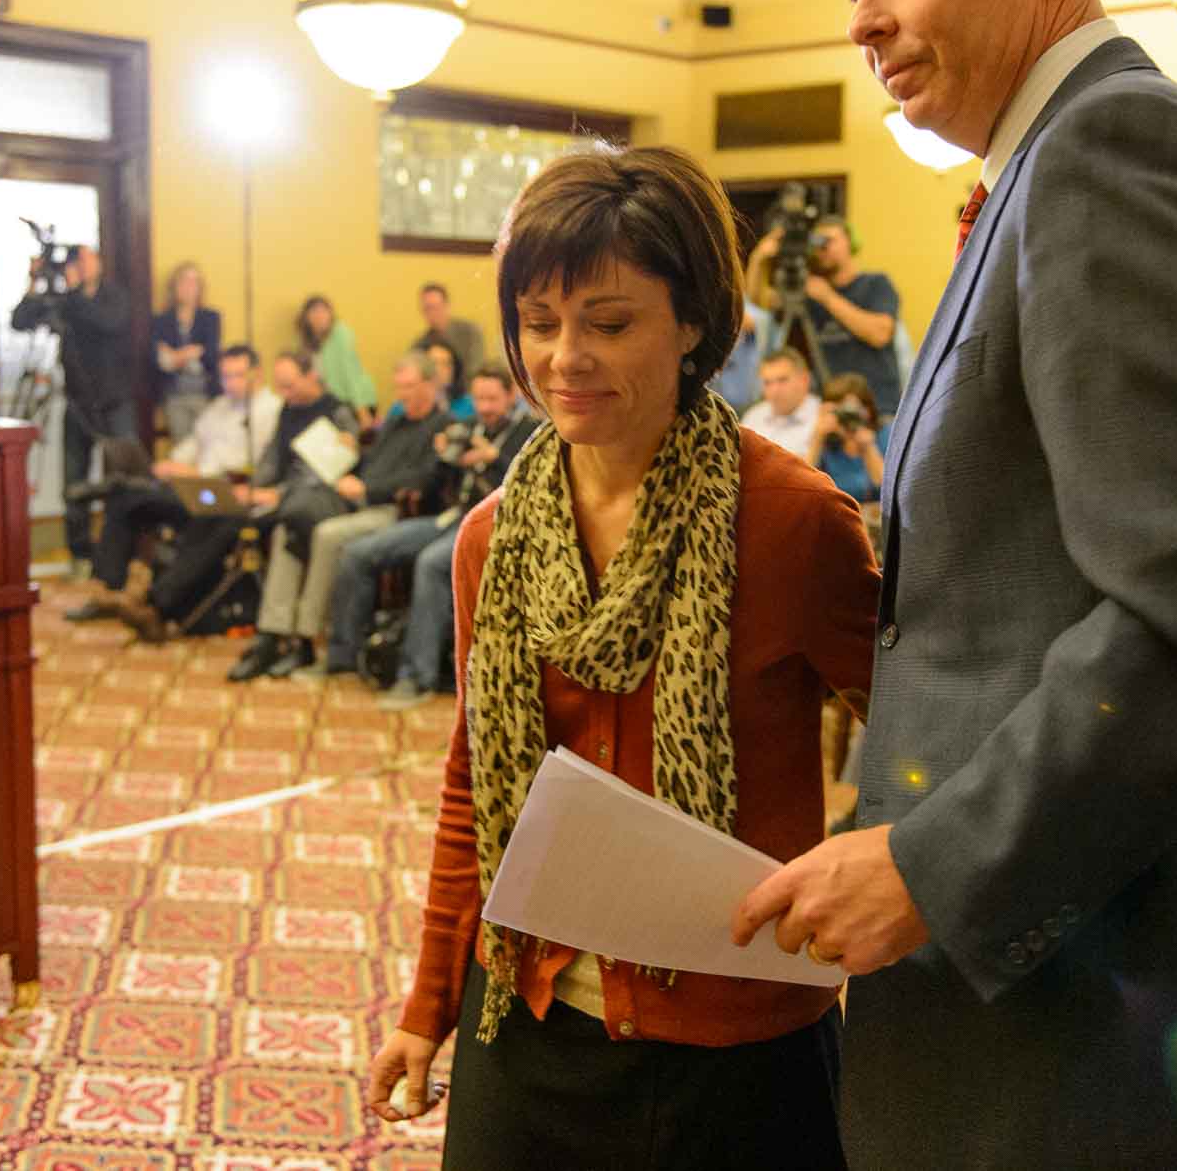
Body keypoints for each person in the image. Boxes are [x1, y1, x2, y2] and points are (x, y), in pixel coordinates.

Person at [730, 0, 1177, 1166]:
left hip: (1110, 1008)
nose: (860, 20)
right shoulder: (1037, 166)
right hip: (1052, 975)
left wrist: (935, 864)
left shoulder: (1120, 149)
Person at [365, 145, 879, 1170]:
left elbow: (921, 732)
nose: (564, 359)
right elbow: (473, 780)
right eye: (540, 324)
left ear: (693, 324)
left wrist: (867, 860)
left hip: (737, 1043)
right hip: (530, 1014)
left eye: (608, 324)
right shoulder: (491, 539)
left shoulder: (792, 521)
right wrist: (429, 1005)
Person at [323, 363, 538, 707]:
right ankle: (343, 655)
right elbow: (431, 485)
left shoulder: (528, 432)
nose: (485, 407)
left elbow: (530, 485)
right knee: (359, 552)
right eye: (479, 398)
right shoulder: (467, 427)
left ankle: (415, 676)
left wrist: (493, 458)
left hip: (498, 529)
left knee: (432, 563)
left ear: (511, 396)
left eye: (493, 399)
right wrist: (443, 457)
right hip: (451, 518)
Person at [228, 353, 449, 681]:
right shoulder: (396, 421)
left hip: (393, 510)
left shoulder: (441, 427)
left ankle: (305, 639)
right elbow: (370, 461)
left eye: (410, 387)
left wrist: (366, 488)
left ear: (430, 385)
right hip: (357, 501)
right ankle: (272, 634)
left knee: (326, 534)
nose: (402, 395)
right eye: (398, 387)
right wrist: (350, 451)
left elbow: (424, 479)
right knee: (287, 528)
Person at [68, 345, 281, 622]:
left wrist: (191, 472)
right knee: (126, 502)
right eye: (226, 376)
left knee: (131, 494)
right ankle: (107, 591)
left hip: (220, 494)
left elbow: (243, 467)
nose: (231, 383)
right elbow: (192, 445)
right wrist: (171, 465)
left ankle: (115, 486)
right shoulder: (219, 407)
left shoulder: (269, 411)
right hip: (191, 489)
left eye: (238, 376)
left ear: (257, 374)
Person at [11, 244, 137, 571]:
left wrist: (75, 291)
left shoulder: (114, 298)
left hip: (115, 402)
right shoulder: (65, 300)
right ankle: (80, 555)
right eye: (74, 262)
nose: (78, 267)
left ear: (99, 262)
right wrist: (34, 281)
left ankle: (121, 552)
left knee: (126, 477)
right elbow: (20, 320)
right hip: (77, 403)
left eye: (84, 260)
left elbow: (108, 323)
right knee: (74, 482)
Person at [745, 215, 902, 416]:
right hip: (829, 409)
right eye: (818, 243)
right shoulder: (809, 294)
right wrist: (758, 260)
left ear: (850, 243)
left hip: (878, 408)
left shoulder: (876, 284)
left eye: (830, 241)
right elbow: (761, 300)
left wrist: (827, 297)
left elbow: (880, 334)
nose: (823, 248)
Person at [150, 261, 221, 443]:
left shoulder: (210, 317)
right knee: (182, 447)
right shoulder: (161, 320)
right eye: (183, 281)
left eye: (193, 282)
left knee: (208, 446)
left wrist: (177, 356)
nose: (188, 287)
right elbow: (161, 360)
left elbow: (211, 355)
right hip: (175, 395)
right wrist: (192, 352)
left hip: (205, 394)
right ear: (174, 286)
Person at [808, 372, 888, 504]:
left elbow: (888, 488)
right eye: (838, 411)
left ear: (867, 410)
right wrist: (817, 438)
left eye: (849, 410)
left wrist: (869, 448)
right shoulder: (826, 442)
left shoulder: (884, 435)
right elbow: (803, 483)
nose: (844, 417)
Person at [297, 294, 376, 419]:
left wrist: (362, 410)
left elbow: (351, 373)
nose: (319, 317)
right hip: (332, 403)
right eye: (314, 313)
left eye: (323, 311)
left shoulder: (340, 334)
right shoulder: (308, 343)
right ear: (306, 318)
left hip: (355, 400)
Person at [737, 347, 820, 457]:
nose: (774, 390)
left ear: (804, 380)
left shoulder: (821, 418)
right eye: (767, 383)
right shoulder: (754, 416)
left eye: (782, 380)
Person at [413, 280, 487, 377]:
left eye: (436, 307)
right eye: (427, 308)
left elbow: (477, 369)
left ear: (447, 306)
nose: (432, 313)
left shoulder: (470, 332)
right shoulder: (420, 345)